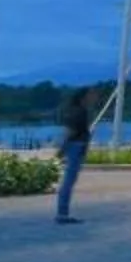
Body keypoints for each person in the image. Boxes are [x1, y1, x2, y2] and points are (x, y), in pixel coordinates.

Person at [54, 85, 94, 223]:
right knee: (69, 181)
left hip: (77, 147)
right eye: (90, 95)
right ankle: (62, 213)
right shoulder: (78, 112)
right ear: (83, 97)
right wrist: (62, 149)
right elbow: (70, 131)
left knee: (70, 180)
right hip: (75, 147)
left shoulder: (80, 111)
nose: (93, 98)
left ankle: (62, 212)